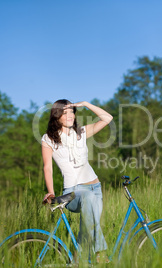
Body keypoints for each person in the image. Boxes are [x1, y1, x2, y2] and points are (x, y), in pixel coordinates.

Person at [41, 99, 113, 263]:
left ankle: (76, 262)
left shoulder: (81, 132)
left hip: (95, 187)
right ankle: (100, 252)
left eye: (72, 111)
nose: (70, 115)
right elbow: (48, 167)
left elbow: (107, 118)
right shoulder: (49, 139)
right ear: (56, 115)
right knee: (87, 202)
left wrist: (87, 104)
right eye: (65, 112)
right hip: (74, 191)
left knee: (88, 228)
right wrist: (51, 191)